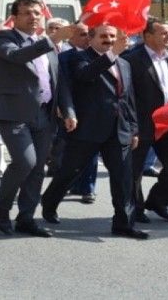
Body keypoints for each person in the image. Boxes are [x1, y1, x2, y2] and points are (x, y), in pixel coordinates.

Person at [42, 24, 146, 239]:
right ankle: (50, 202)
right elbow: (85, 75)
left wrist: (134, 129)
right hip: (87, 129)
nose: (109, 40)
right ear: (91, 38)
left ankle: (124, 224)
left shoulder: (124, 63)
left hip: (119, 130)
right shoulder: (80, 58)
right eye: (103, 36)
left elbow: (128, 99)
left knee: (123, 178)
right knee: (70, 172)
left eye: (112, 36)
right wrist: (112, 54)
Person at [0, 0, 76, 237]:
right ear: (15, 17)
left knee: (37, 168)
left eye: (37, 13)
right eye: (27, 13)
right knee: (25, 161)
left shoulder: (45, 45)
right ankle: (1, 207)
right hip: (13, 113)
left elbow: (59, 82)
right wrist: (52, 39)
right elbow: (17, 56)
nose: (34, 17)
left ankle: (26, 218)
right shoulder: (5, 38)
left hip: (44, 114)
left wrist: (68, 111)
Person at [124, 16, 168, 223]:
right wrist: (130, 125)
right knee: (135, 168)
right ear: (147, 36)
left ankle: (159, 201)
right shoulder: (132, 60)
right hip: (142, 122)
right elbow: (125, 94)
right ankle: (136, 208)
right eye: (163, 33)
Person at [54, 23, 99, 202]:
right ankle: (66, 185)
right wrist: (63, 108)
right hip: (71, 110)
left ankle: (88, 188)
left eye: (89, 34)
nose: (87, 38)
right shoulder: (63, 57)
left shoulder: (98, 56)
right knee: (69, 151)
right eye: (82, 34)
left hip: (93, 110)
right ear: (71, 37)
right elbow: (62, 84)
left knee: (92, 151)